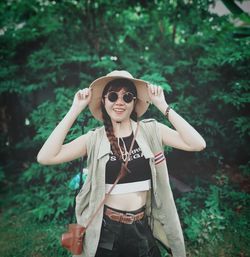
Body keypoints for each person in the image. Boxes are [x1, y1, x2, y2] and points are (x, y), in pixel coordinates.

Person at [37, 70, 206, 257]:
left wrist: (163, 105)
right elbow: (46, 157)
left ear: (134, 102)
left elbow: (197, 144)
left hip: (142, 226)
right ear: (103, 101)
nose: (119, 102)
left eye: (127, 96)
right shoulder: (94, 139)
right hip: (106, 231)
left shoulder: (152, 130)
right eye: (112, 96)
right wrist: (75, 109)